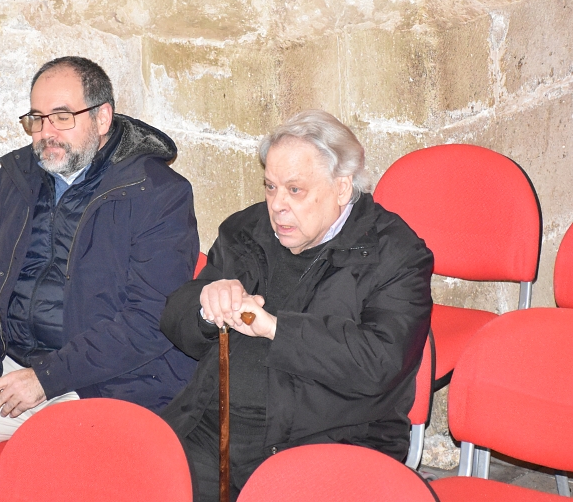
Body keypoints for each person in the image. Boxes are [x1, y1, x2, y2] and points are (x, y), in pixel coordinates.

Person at [160, 109, 433, 501]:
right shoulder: (245, 231)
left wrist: (275, 328)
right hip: (213, 428)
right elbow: (175, 320)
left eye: (295, 189)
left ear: (341, 189)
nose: (277, 206)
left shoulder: (396, 254)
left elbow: (379, 363)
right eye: (270, 187)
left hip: (324, 441)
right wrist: (206, 304)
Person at [0, 56, 199, 449]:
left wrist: (46, 378)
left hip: (104, 382)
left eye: (62, 117)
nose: (46, 132)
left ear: (103, 117)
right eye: (37, 119)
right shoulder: (18, 178)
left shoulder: (157, 193)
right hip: (14, 367)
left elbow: (151, 320)